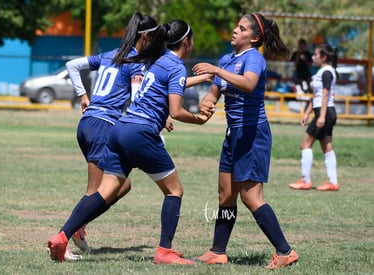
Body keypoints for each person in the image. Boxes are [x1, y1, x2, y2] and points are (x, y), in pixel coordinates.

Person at [47, 19, 212, 264]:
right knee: (174, 190)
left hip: (120, 128)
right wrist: (198, 120)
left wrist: (205, 78)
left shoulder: (152, 59)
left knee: (105, 191)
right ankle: (164, 250)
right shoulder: (173, 65)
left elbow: (159, 87)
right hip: (138, 131)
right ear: (187, 42)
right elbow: (176, 111)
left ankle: (62, 236)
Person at [192, 13, 299, 270]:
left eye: (241, 28)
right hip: (233, 134)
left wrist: (216, 71)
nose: (234, 30)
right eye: (236, 26)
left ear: (254, 37)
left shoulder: (254, 58)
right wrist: (207, 101)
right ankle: (218, 251)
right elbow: (215, 91)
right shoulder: (227, 59)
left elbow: (249, 84)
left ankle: (285, 251)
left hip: (252, 133)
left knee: (251, 198)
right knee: (226, 195)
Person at [288, 44, 339, 191]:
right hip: (322, 112)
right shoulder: (320, 72)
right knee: (326, 146)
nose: (312, 57)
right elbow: (315, 96)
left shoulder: (327, 72)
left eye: (316, 55)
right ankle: (333, 182)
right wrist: (306, 113)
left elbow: (325, 95)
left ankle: (305, 180)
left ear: (323, 57)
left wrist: (321, 116)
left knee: (305, 144)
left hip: (325, 112)